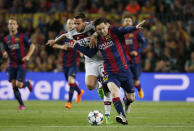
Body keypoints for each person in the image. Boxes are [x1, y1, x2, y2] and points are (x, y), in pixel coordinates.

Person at [74, 17, 145, 125]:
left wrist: (135, 27)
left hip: (124, 70)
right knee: (114, 92)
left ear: (107, 25)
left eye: (103, 28)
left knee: (131, 97)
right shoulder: (96, 40)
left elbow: (124, 30)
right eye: (99, 30)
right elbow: (90, 54)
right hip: (110, 72)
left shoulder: (114, 31)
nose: (102, 31)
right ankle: (123, 117)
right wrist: (76, 45)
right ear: (96, 30)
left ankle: (127, 101)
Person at [47, 13, 113, 124]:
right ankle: (99, 86)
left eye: (78, 23)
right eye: (74, 23)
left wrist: (95, 35)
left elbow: (107, 25)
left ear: (84, 22)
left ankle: (107, 115)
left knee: (107, 88)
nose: (75, 26)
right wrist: (55, 41)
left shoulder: (91, 25)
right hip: (90, 60)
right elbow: (64, 35)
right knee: (90, 86)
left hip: (102, 58)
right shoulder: (73, 32)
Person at [2, 17, 35, 110]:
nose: (12, 25)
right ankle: (22, 105)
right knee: (13, 85)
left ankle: (27, 84)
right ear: (8, 26)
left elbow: (32, 46)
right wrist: (5, 54)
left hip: (22, 63)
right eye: (10, 24)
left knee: (19, 85)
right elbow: (7, 51)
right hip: (12, 64)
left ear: (17, 26)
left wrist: (28, 56)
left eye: (13, 24)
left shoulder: (22, 36)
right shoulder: (6, 39)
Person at [51, 19, 84, 109]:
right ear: (66, 25)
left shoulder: (79, 36)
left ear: (75, 25)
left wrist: (81, 53)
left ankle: (69, 102)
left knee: (70, 81)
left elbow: (83, 48)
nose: (71, 25)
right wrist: (61, 46)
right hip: (65, 63)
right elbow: (53, 44)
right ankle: (79, 92)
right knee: (70, 82)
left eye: (73, 23)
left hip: (74, 62)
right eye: (69, 23)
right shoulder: (63, 35)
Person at [122, 15, 147, 99]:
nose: (127, 22)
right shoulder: (120, 33)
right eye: (126, 20)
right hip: (124, 60)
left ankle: (139, 89)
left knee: (136, 81)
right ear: (123, 22)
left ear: (132, 22)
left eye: (129, 20)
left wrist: (137, 51)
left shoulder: (136, 32)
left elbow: (144, 43)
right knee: (126, 80)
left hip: (135, 60)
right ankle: (127, 97)